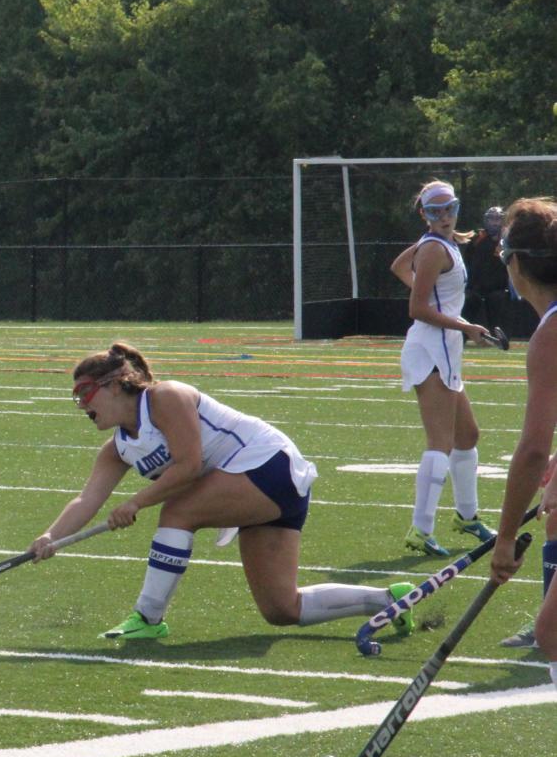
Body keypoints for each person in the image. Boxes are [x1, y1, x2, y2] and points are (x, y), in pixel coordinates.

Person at [28, 342, 416, 640]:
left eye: (84, 394)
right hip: (257, 491)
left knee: (178, 512)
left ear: (114, 386)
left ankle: (148, 618)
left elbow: (189, 464)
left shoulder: (165, 397)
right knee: (282, 608)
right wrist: (51, 537)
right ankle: (389, 599)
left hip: (269, 465)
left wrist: (135, 503)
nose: (81, 405)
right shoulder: (117, 450)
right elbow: (86, 500)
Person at [388, 180, 497, 558]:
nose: (445, 216)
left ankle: (466, 517)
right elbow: (418, 309)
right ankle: (421, 530)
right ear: (425, 215)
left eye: (449, 208)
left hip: (443, 347)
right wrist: (464, 325)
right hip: (431, 349)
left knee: (467, 436)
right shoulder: (434, 248)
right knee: (440, 445)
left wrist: (457, 320)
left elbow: (400, 266)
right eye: (435, 211)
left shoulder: (439, 245)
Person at [483, 199, 557, 651]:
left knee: (553, 636)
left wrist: (506, 537)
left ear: (517, 263)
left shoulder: (550, 336)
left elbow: (531, 451)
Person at [462, 205, 508, 332]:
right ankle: (463, 334)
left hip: (498, 288)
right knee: (469, 301)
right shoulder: (477, 238)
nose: (494, 223)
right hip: (475, 287)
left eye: (497, 219)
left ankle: (497, 336)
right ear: (486, 221)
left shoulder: (507, 240)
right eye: (491, 219)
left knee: (497, 301)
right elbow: (467, 260)